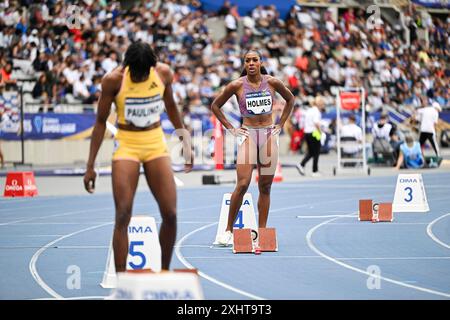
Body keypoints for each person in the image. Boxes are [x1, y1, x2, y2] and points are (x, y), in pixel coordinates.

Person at [83, 41, 193, 272]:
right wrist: (90, 165)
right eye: (138, 73)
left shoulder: (162, 73)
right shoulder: (113, 80)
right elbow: (101, 122)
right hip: (127, 144)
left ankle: (164, 271)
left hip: (155, 142)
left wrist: (185, 139)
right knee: (123, 214)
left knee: (171, 214)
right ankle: (122, 281)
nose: (142, 77)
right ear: (128, 67)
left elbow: (171, 106)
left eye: (146, 73)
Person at [211, 49, 294, 246]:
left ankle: (263, 233)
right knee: (242, 184)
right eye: (247, 60)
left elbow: (290, 99)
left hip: (268, 134)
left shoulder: (272, 82)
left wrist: (281, 124)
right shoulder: (236, 85)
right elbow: (215, 106)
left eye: (254, 60)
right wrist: (232, 129)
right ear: (244, 63)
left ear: (260, 62)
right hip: (248, 134)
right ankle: (228, 231)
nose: (251, 63)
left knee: (265, 186)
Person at [296, 96, 324, 177]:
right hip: (314, 133)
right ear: (319, 104)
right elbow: (316, 123)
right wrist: (321, 132)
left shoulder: (309, 110)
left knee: (311, 152)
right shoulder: (316, 112)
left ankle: (301, 164)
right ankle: (315, 171)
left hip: (307, 133)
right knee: (316, 152)